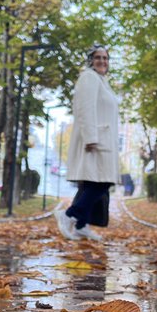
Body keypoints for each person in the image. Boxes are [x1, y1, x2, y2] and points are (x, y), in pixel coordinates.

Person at [56, 45, 120, 240]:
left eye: (105, 58)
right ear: (91, 60)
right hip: (95, 140)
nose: (102, 61)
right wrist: (90, 137)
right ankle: (69, 215)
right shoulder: (89, 77)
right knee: (101, 182)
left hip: (104, 139)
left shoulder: (102, 81)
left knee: (96, 182)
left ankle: (81, 225)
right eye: (98, 57)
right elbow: (85, 108)